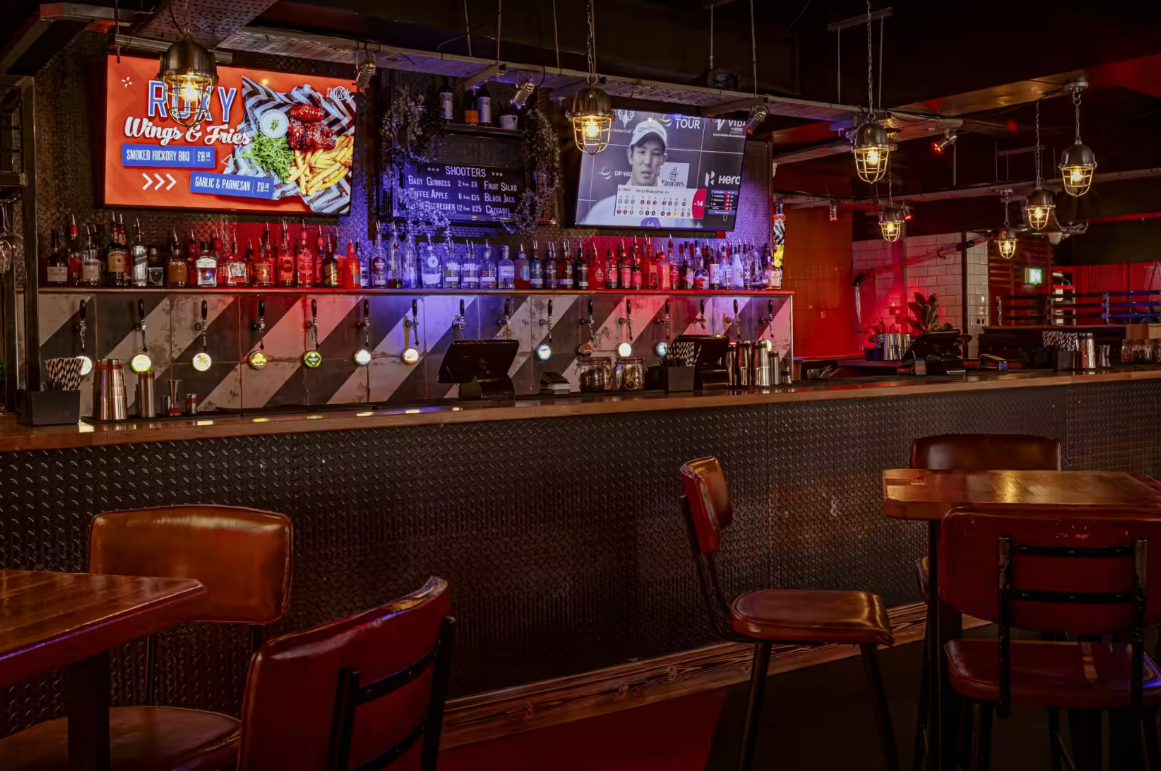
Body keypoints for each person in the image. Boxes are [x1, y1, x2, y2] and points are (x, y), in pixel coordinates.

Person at [581, 119, 698, 228]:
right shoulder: (603, 211)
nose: (647, 161)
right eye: (642, 152)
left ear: (663, 159)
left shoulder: (680, 214)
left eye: (656, 153)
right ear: (630, 155)